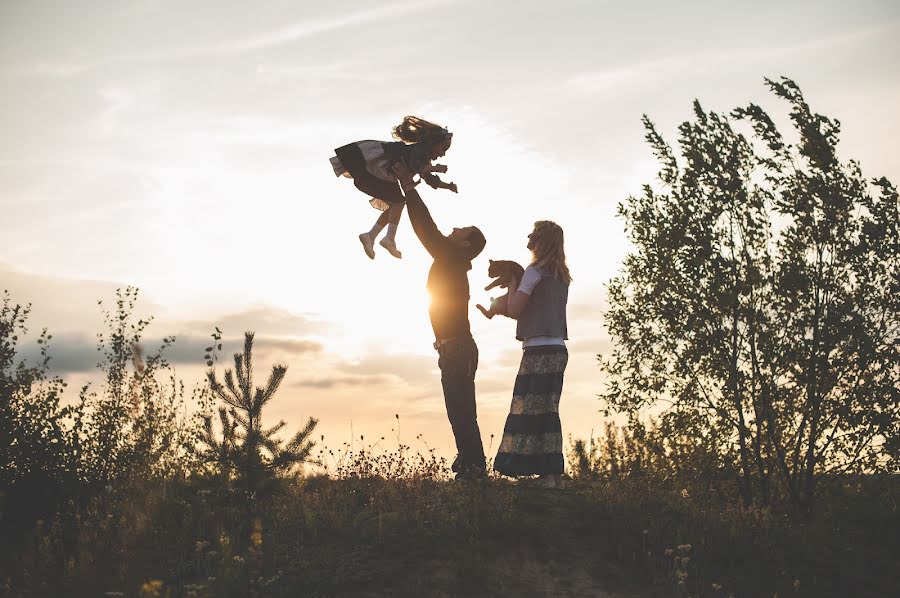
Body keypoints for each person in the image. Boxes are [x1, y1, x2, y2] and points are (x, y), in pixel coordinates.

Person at [393, 159, 487, 480]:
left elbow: (425, 228)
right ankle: (471, 463)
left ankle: (473, 469)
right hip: (455, 347)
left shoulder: (450, 256)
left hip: (457, 349)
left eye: (462, 229)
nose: (456, 228)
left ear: (466, 243)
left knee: (460, 411)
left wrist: (408, 187)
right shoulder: (453, 260)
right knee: (460, 412)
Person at [493, 221, 571, 489]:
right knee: (548, 410)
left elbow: (515, 309)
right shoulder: (562, 277)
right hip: (559, 349)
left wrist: (513, 284)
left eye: (533, 237)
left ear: (540, 241)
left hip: (538, 349)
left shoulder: (533, 272)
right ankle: (554, 476)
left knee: (530, 410)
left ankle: (547, 477)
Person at [330, 116, 458, 260]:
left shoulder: (424, 158)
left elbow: (429, 179)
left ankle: (371, 236)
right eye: (443, 148)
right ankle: (387, 239)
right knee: (398, 202)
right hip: (377, 169)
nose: (443, 153)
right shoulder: (418, 150)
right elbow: (415, 166)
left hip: (385, 174)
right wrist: (435, 168)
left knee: (395, 205)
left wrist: (448, 186)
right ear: (433, 143)